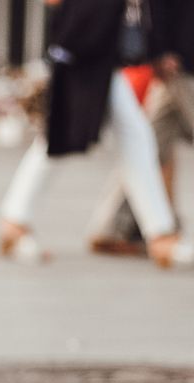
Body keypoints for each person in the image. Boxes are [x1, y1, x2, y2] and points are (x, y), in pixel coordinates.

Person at [0, 0, 193, 269]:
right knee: (64, 139)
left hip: (93, 49)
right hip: (84, 49)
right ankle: (160, 235)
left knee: (125, 139)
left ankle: (15, 219)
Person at [89, 0, 194, 256]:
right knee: (145, 143)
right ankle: (116, 228)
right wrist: (159, 50)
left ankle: (112, 227)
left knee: (147, 144)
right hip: (182, 61)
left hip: (177, 59)